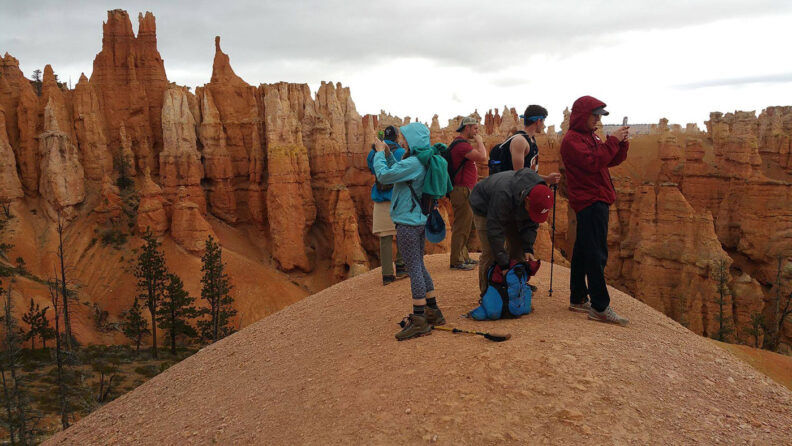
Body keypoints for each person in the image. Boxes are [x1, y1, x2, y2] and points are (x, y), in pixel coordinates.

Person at [560, 95, 629, 326]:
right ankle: (600, 306)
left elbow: (608, 160)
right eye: (595, 115)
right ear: (582, 115)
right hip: (590, 200)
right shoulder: (572, 140)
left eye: (600, 115)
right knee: (596, 253)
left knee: (582, 250)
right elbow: (592, 162)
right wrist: (612, 142)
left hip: (596, 198)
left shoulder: (591, 136)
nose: (598, 119)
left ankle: (578, 297)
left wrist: (620, 144)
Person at [372, 122, 445, 341]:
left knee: (413, 269)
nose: (402, 141)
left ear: (413, 141)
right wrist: (387, 154)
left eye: (405, 138)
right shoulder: (420, 161)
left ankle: (420, 319)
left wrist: (378, 154)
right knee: (419, 265)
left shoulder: (413, 163)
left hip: (408, 223)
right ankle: (433, 311)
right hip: (418, 220)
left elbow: (384, 177)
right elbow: (399, 172)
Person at [469, 168, 554, 296]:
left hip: (513, 206)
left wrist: (528, 248)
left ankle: (515, 290)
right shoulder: (504, 194)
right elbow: (495, 231)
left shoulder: (537, 193)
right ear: (527, 200)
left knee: (519, 249)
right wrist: (504, 265)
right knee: (491, 253)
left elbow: (531, 223)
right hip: (484, 207)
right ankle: (488, 295)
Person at [366, 125, 407, 285]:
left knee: (385, 237)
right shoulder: (401, 152)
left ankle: (387, 275)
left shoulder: (372, 152)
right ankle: (402, 267)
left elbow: (371, 169)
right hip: (397, 197)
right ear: (397, 137)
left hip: (380, 197)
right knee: (402, 232)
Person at [448, 116, 487, 271]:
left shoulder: (461, 144)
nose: (477, 131)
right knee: (461, 225)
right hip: (461, 190)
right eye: (475, 128)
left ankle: (463, 256)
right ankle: (456, 261)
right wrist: (480, 141)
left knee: (466, 225)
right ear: (467, 128)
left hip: (465, 189)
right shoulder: (461, 145)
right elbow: (483, 157)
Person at [493, 104, 562, 186]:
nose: (544, 125)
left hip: (525, 190)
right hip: (511, 194)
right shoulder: (520, 141)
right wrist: (547, 179)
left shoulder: (531, 140)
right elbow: (520, 175)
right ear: (538, 121)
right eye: (543, 121)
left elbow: (529, 170)